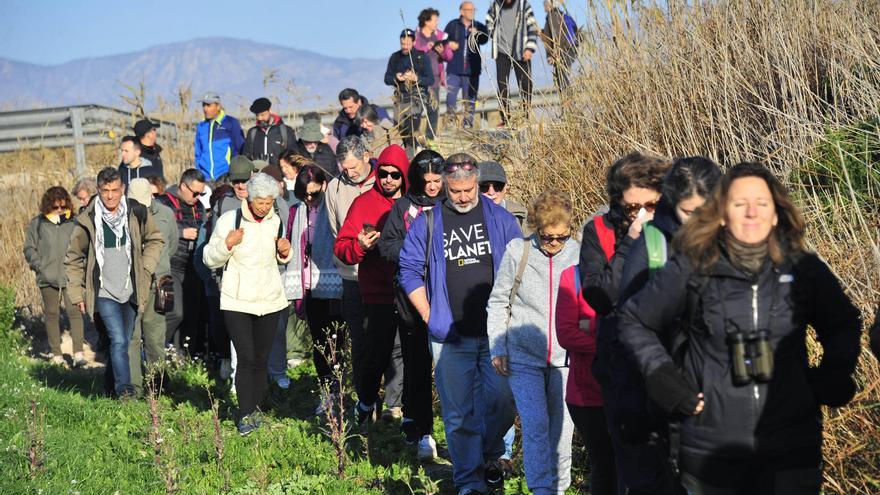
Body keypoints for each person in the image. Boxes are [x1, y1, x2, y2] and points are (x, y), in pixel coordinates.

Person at [618, 162, 863, 494]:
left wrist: (833, 373)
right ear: (721, 214)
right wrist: (665, 380)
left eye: (762, 203)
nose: (751, 213)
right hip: (711, 450)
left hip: (791, 447)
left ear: (776, 213)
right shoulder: (692, 265)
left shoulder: (802, 267)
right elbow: (635, 319)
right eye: (738, 204)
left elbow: (843, 322)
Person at [399, 153, 521, 495]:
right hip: (449, 335)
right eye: (455, 191)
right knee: (457, 413)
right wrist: (428, 314)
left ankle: (487, 454)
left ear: (477, 184)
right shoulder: (429, 222)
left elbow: (519, 272)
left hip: (495, 332)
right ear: (444, 188)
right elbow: (408, 270)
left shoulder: (501, 220)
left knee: (501, 402)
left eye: (469, 189)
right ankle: (469, 481)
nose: (463, 197)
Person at [578, 151, 674, 495]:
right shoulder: (598, 232)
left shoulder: (677, 227)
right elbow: (600, 296)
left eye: (653, 205)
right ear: (618, 201)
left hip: (672, 368)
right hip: (622, 374)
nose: (646, 215)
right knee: (637, 473)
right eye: (635, 208)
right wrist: (632, 244)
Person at [487, 191, 579, 495]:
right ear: (536, 228)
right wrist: (498, 346)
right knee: (536, 427)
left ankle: (560, 489)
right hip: (523, 357)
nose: (554, 244)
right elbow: (499, 301)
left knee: (563, 431)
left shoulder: (578, 254)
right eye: (547, 237)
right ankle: (540, 489)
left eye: (561, 238)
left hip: (567, 359)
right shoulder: (519, 251)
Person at [203, 172, 293, 436]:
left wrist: (285, 253)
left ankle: (255, 410)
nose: (265, 207)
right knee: (246, 357)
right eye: (260, 202)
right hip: (238, 301)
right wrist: (227, 245)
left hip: (269, 299)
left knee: (261, 359)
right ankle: (245, 415)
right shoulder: (230, 220)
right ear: (250, 198)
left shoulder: (276, 222)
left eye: (269, 202)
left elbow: (279, 258)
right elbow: (210, 258)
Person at [65, 167, 164, 397]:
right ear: (98, 190)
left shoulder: (136, 212)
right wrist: (77, 293)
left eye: (115, 190)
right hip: (103, 291)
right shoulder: (88, 219)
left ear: (123, 190)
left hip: (130, 290)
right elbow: (73, 258)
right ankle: (124, 392)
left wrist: (146, 268)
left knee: (124, 341)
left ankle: (110, 386)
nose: (110, 196)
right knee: (118, 340)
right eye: (105, 191)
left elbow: (155, 240)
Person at [325, 136, 404, 417]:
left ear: (368, 157)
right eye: (344, 168)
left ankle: (395, 404)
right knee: (363, 344)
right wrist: (358, 246)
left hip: (397, 283)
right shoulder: (336, 189)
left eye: (354, 167)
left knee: (398, 347)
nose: (350, 173)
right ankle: (365, 401)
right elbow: (339, 233)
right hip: (356, 278)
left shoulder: (399, 191)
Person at [377, 149, 445, 459]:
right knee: (417, 365)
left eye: (437, 180)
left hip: (446, 296)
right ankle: (422, 429)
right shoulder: (403, 208)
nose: (433, 186)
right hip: (410, 297)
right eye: (427, 181)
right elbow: (386, 245)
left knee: (448, 367)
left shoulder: (451, 206)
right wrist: (419, 244)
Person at [283, 164, 344, 407]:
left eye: (314, 194)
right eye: (304, 194)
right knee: (319, 342)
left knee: (336, 342)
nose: (309, 198)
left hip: (333, 283)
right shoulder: (296, 212)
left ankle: (338, 391)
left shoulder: (332, 209)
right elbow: (289, 243)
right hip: (308, 285)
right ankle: (326, 392)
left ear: (324, 186)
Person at [555, 253, 615, 494]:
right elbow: (567, 334)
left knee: (631, 466)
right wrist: (611, 339)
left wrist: (590, 327)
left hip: (629, 391)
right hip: (586, 394)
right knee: (604, 465)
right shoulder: (573, 277)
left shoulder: (633, 269)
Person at [24, 186, 86, 367]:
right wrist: (39, 266)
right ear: (48, 206)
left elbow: (83, 247)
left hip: (70, 275)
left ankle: (79, 353)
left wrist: (80, 267)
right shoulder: (38, 224)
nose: (60, 211)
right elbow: (29, 247)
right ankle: (56, 354)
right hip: (47, 276)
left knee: (75, 312)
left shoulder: (74, 223)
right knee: (52, 314)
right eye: (55, 207)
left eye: (63, 207)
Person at [126, 178, 177, 390]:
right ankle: (133, 388)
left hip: (158, 285)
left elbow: (172, 245)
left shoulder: (166, 215)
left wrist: (159, 267)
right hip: (130, 285)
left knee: (155, 339)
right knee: (131, 338)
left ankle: (158, 387)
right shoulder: (121, 217)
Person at [157, 169, 208, 356]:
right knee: (175, 312)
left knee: (191, 317)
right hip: (171, 266)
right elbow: (155, 229)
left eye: (201, 193)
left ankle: (185, 359)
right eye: (195, 193)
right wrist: (181, 233)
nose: (197, 197)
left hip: (193, 267)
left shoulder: (199, 207)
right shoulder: (162, 204)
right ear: (183, 186)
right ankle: (154, 349)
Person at [486, 0, 540, 126]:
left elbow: (532, 27)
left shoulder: (524, 5)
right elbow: (489, 21)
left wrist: (529, 48)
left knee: (526, 84)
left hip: (521, 51)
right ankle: (506, 118)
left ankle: (526, 116)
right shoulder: (496, 5)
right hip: (501, 51)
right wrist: (494, 34)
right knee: (502, 84)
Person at [384, 29, 434, 155]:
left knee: (412, 126)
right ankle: (412, 150)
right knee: (400, 128)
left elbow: (430, 79)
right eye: (402, 43)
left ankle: (412, 154)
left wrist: (416, 78)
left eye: (407, 43)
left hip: (417, 96)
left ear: (413, 42)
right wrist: (397, 78)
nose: (405, 46)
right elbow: (387, 78)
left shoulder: (421, 57)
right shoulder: (395, 57)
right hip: (400, 98)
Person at [444, 1, 489, 127]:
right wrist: (448, 44)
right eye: (469, 9)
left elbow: (485, 38)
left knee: (470, 98)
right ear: (461, 11)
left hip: (472, 70)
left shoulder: (479, 25)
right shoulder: (452, 25)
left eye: (474, 10)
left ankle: (467, 124)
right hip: (454, 70)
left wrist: (477, 34)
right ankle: (451, 121)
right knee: (451, 97)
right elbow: (443, 40)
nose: (472, 12)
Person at [414, 8, 454, 149]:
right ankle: (414, 142)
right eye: (435, 19)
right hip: (417, 80)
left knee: (433, 111)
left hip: (435, 80)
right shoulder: (415, 36)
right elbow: (412, 53)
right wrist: (426, 47)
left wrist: (442, 52)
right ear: (426, 21)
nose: (438, 22)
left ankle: (429, 142)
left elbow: (449, 56)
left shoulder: (441, 36)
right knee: (416, 112)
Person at [194, 92, 245, 182]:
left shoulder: (231, 123)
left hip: (226, 177)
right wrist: (199, 173)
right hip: (206, 179)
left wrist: (235, 173)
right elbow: (198, 153)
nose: (205, 109)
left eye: (209, 105)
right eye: (203, 105)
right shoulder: (201, 126)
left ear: (218, 106)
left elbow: (241, 149)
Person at [243, 97, 297, 166]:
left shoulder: (286, 131)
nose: (260, 118)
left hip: (280, 175)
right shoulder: (252, 132)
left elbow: (294, 156)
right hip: (259, 175)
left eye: (262, 115)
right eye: (257, 115)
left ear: (270, 110)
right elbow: (246, 156)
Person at [478, 161, 528, 233]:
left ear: (505, 188)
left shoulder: (521, 216)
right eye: (484, 187)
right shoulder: (466, 218)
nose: (491, 192)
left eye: (498, 186)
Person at [541, 1, 578, 91]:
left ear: (551, 4)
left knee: (562, 77)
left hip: (565, 51)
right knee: (561, 76)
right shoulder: (557, 15)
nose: (544, 4)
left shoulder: (553, 16)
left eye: (546, 2)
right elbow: (550, 37)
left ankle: (568, 100)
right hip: (569, 50)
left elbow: (557, 36)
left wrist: (554, 54)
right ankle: (567, 99)